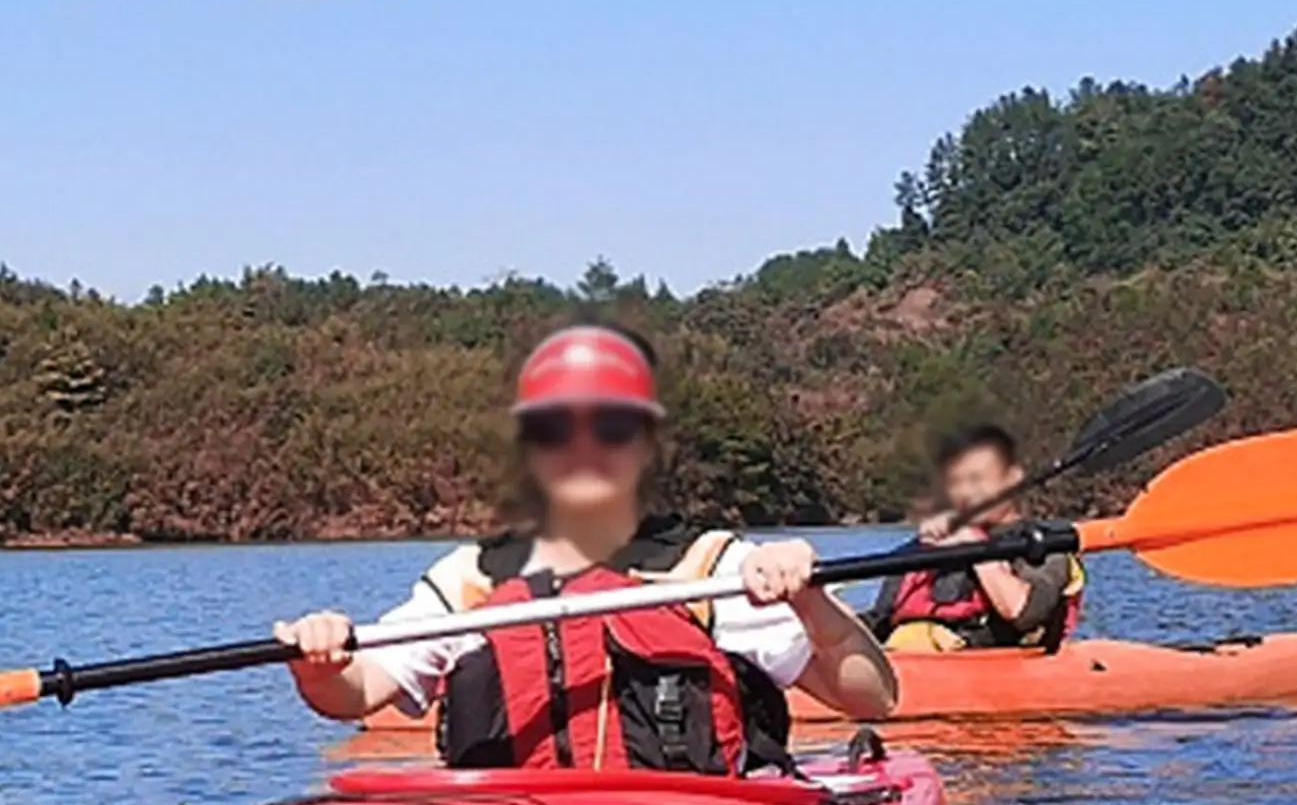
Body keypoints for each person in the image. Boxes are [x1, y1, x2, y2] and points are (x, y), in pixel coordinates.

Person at [275, 323, 897, 772]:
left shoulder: (719, 570)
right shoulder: (471, 580)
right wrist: (318, 661)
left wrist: (811, 601)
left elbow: (871, 697)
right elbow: (354, 692)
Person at [867, 424, 1085, 652]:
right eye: (956, 482)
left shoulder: (1045, 543)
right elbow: (877, 623)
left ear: (1012, 478)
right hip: (916, 663)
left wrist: (975, 546)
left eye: (976, 479)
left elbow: (1024, 612)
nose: (966, 492)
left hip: (998, 667)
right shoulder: (925, 547)